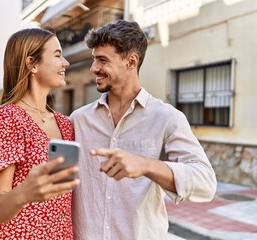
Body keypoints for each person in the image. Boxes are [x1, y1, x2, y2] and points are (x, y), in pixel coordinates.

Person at [70, 20, 217, 240]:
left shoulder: (166, 118)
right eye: (94, 59)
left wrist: (146, 165)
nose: (94, 69)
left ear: (131, 61)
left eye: (102, 60)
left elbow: (205, 183)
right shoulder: (78, 120)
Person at [0, 28, 80, 239]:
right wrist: (25, 193)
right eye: (58, 55)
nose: (65, 63)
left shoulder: (65, 124)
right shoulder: (8, 119)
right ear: (32, 63)